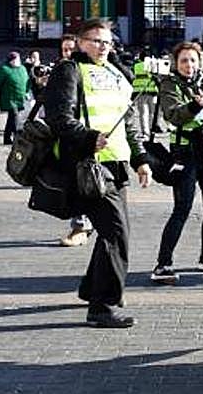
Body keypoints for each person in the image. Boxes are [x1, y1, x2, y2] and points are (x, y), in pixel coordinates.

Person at [45, 19, 151, 328]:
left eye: (107, 42)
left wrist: (140, 158)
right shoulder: (69, 71)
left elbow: (127, 119)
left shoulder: (115, 72)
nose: (103, 47)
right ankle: (103, 306)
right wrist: (89, 137)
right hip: (88, 165)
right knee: (117, 235)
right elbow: (58, 118)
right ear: (80, 42)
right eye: (95, 41)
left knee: (112, 232)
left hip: (115, 164)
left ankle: (92, 289)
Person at [150, 41, 203, 284]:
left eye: (192, 60)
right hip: (186, 153)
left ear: (200, 62)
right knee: (182, 208)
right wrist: (193, 106)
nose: (189, 65)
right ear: (176, 64)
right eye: (183, 61)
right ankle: (163, 264)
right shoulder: (170, 84)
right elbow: (173, 115)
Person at [55, 33, 95, 248]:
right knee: (76, 182)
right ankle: (80, 224)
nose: (69, 54)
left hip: (92, 135)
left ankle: (84, 225)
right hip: (71, 137)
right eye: (65, 50)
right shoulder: (62, 71)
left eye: (72, 49)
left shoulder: (89, 71)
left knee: (88, 183)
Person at [0, 52, 29, 145]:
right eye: (14, 59)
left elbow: (27, 80)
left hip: (20, 98)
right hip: (9, 99)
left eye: (18, 59)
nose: (16, 61)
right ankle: (16, 137)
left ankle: (7, 138)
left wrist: (27, 91)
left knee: (11, 119)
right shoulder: (4, 69)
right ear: (10, 60)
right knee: (15, 118)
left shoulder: (22, 68)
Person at [131, 48, 161, 140]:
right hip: (152, 92)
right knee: (153, 113)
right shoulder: (153, 66)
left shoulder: (136, 65)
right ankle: (153, 129)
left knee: (143, 114)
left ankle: (145, 132)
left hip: (140, 92)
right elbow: (158, 78)